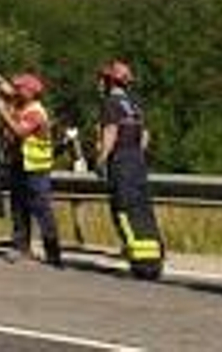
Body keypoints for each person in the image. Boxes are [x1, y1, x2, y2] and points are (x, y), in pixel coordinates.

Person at [96, 60, 164, 280]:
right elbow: (145, 135)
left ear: (109, 81)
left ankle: (140, 260)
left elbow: (111, 130)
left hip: (121, 159)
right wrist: (138, 156)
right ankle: (153, 258)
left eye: (102, 79)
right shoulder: (134, 104)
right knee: (142, 208)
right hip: (137, 159)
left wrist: (102, 158)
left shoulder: (110, 103)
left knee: (123, 207)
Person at [0, 72, 63, 267]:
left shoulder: (35, 112)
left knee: (42, 209)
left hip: (36, 168)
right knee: (19, 208)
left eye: (19, 88)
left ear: (30, 92)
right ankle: (21, 247)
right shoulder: (21, 106)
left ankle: (53, 252)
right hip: (21, 164)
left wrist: (2, 110)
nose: (15, 91)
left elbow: (19, 131)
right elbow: (6, 91)